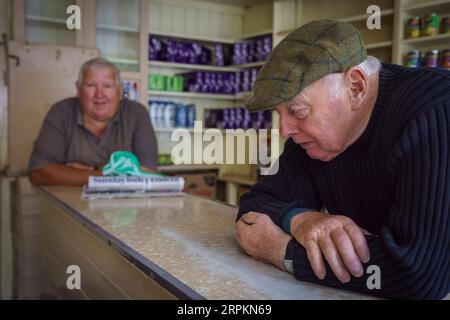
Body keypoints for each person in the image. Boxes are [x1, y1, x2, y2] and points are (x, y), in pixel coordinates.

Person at [235, 20, 450, 299]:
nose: (285, 129)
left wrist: (282, 250)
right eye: (280, 113)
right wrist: (299, 220)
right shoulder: (313, 139)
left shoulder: (435, 109)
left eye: (297, 111)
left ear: (356, 86)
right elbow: (254, 207)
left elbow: (419, 275)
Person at [28, 58, 158, 185]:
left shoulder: (136, 114)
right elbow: (38, 172)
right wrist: (104, 174)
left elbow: (147, 173)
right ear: (78, 90)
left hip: (124, 206)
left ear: (120, 91)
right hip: (67, 204)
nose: (99, 95)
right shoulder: (61, 112)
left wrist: (84, 172)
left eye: (107, 86)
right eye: (91, 85)